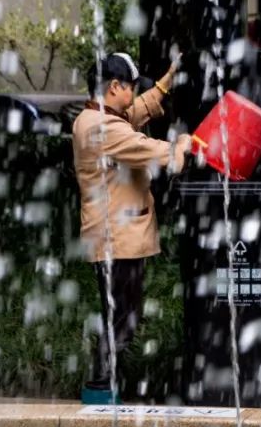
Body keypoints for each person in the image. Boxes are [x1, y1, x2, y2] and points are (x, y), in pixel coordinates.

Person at [73, 52, 192, 404]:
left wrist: (163, 85)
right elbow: (142, 146)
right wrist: (179, 146)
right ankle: (98, 390)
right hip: (116, 240)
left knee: (120, 314)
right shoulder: (100, 128)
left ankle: (103, 388)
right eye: (131, 87)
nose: (133, 93)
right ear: (114, 87)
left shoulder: (99, 116)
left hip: (115, 237)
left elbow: (133, 113)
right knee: (123, 318)